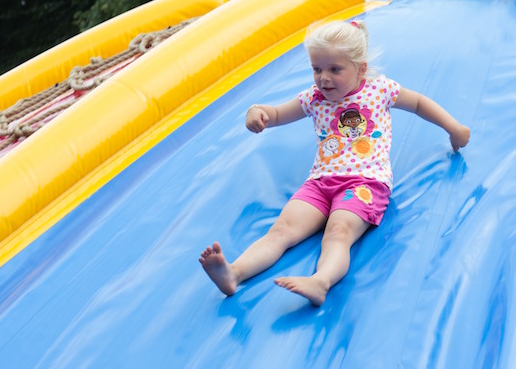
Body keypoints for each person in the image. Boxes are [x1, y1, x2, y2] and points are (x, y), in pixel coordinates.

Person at [199, 20, 470, 306]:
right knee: (280, 231)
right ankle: (234, 273)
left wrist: (454, 128)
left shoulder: (379, 90)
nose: (323, 78)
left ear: (360, 68)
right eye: (317, 69)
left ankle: (321, 281)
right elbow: (276, 113)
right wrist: (255, 111)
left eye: (334, 69)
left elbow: (418, 103)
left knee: (338, 232)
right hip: (320, 182)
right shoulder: (314, 99)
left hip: (365, 181)